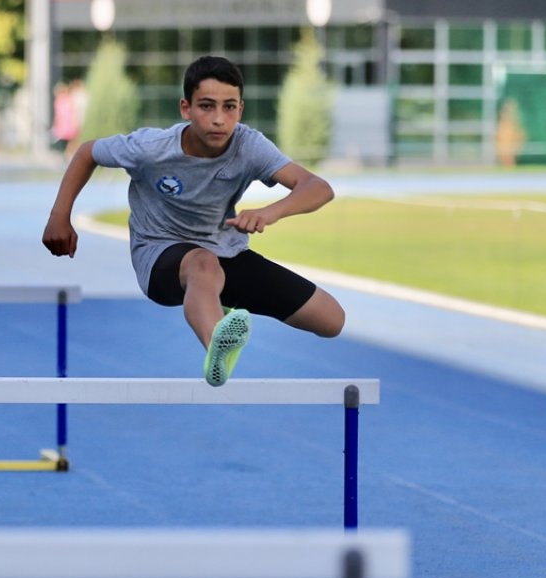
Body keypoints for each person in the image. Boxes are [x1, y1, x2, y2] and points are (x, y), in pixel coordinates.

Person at [42, 55, 345, 386]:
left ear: (240, 109)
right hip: (160, 255)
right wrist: (59, 216)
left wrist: (269, 212)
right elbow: (87, 152)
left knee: (331, 320)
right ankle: (218, 345)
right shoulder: (151, 148)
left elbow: (319, 188)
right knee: (202, 264)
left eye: (229, 107)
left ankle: (214, 304)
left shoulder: (249, 145)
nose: (218, 119)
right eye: (206, 106)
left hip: (226, 251)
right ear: (186, 108)